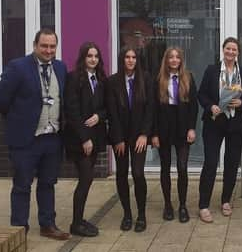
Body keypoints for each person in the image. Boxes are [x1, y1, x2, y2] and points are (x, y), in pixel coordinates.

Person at [0, 28, 70, 240]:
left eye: (52, 46)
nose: (48, 50)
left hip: (52, 138)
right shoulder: (18, 67)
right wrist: (20, 120)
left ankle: (48, 225)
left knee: (48, 184)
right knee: (22, 186)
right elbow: (0, 101)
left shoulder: (61, 68)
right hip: (26, 140)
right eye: (44, 46)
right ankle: (19, 229)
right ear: (35, 45)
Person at [197, 37, 242, 223]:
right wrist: (210, 106)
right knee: (211, 163)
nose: (230, 52)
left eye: (234, 50)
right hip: (214, 122)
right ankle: (203, 204)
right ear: (223, 50)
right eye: (228, 49)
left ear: (238, 53)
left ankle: (226, 200)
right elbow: (201, 94)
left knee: (232, 163)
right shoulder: (212, 71)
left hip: (235, 123)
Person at [106, 46, 154, 232]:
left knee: (138, 173)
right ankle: (127, 214)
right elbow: (111, 112)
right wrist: (118, 138)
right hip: (121, 137)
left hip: (139, 136)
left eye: (134, 57)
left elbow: (150, 109)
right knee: (121, 174)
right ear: (122, 59)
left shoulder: (146, 79)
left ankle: (141, 214)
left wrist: (144, 134)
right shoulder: (112, 82)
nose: (131, 60)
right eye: (127, 57)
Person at [63, 42, 108, 237]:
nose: (93, 59)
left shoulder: (100, 79)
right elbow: (71, 111)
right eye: (90, 56)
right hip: (78, 139)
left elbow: (106, 106)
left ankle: (80, 219)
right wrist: (84, 138)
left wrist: (100, 116)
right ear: (83, 57)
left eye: (96, 56)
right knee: (86, 178)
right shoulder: (73, 78)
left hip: (96, 137)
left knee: (86, 180)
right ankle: (76, 223)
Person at [150, 47, 199, 223]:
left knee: (182, 167)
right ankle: (168, 205)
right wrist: (153, 133)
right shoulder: (158, 80)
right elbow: (153, 109)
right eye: (171, 57)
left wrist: (192, 128)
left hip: (183, 128)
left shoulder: (188, 77)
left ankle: (183, 206)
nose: (174, 60)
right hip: (163, 129)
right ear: (166, 60)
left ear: (181, 60)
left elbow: (194, 106)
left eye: (177, 57)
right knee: (165, 168)